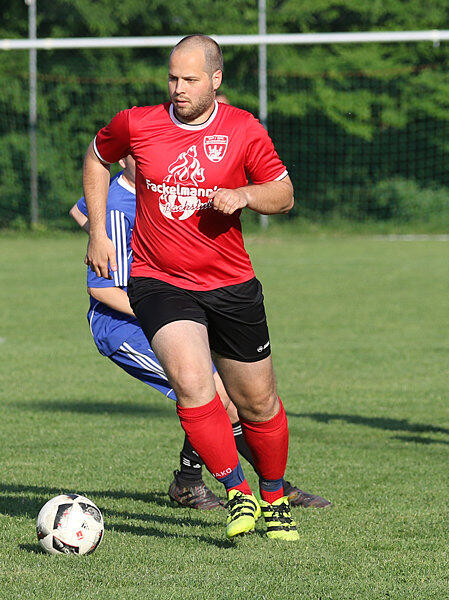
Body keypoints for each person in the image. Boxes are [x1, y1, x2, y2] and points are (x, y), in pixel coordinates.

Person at [83, 34, 301, 539]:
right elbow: (96, 158)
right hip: (159, 281)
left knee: (258, 403)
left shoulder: (243, 129)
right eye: (172, 78)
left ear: (216, 79)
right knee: (193, 386)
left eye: (190, 79)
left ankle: (273, 497)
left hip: (231, 283)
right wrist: (97, 231)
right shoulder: (137, 123)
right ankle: (238, 492)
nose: (178, 89)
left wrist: (244, 195)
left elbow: (285, 194)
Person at [69, 155, 330, 511]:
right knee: (214, 396)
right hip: (125, 327)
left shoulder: (145, 189)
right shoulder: (118, 206)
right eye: (138, 151)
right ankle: (250, 487)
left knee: (229, 397)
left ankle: (199, 482)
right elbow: (102, 289)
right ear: (122, 156)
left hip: (173, 309)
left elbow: (78, 209)